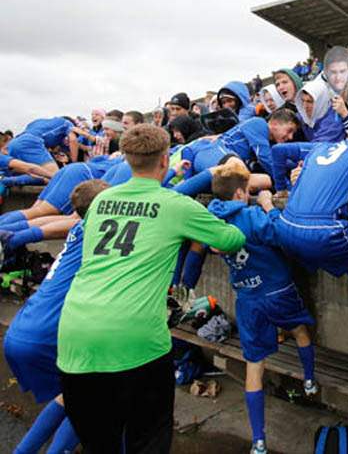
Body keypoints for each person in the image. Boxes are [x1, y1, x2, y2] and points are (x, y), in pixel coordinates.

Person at [56, 125, 246, 452]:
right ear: (163, 160)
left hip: (76, 336)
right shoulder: (174, 204)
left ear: (128, 160)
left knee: (100, 444)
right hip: (137, 340)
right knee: (148, 441)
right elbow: (232, 239)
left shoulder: (102, 200)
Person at [208, 160, 317, 454]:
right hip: (277, 289)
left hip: (247, 299)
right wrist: (268, 204)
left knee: (254, 366)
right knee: (300, 331)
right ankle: (309, 381)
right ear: (242, 194)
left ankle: (258, 440)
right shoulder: (251, 215)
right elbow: (281, 234)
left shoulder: (212, 220)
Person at [4, 179, 109, 454]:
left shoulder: (78, 227)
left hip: (23, 327)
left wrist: (19, 235)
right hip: (47, 330)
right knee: (92, 397)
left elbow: (58, 223)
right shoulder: (100, 230)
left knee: (73, 398)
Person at [271, 139, 348, 308]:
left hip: (284, 227)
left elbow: (278, 150)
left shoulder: (320, 147)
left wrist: (281, 189)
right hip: (322, 231)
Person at [295, 78, 345, 143]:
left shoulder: (333, 122)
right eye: (303, 101)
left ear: (321, 101)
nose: (305, 106)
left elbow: (317, 147)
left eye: (309, 102)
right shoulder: (304, 115)